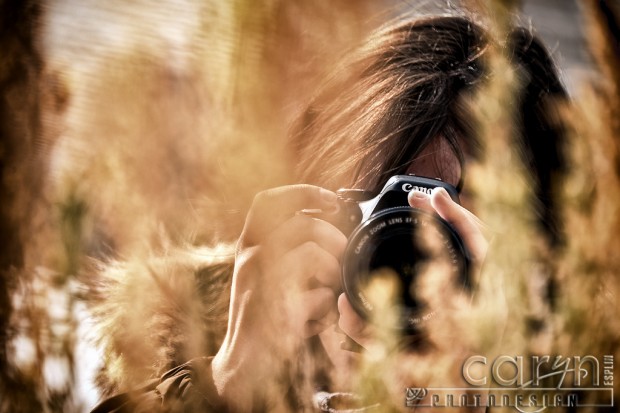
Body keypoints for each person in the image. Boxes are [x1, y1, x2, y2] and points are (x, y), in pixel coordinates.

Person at [91, 10, 567, 413]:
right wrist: (223, 389)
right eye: (375, 210)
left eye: (450, 241)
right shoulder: (178, 352)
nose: (401, 274)